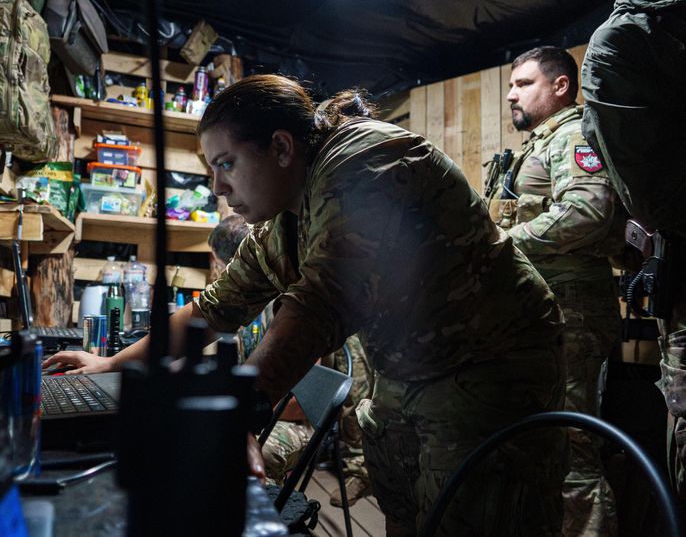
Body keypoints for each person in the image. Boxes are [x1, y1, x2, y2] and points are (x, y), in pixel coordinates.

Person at [46, 74, 567, 535]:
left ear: (280, 147)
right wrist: (110, 364)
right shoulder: (284, 219)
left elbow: (321, 301)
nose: (219, 187)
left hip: (492, 370)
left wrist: (237, 415)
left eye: (226, 163)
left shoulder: (364, 161)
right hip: (412, 375)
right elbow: (216, 307)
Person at [484, 47, 620, 536]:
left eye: (523, 84)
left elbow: (588, 210)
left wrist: (500, 244)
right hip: (544, 311)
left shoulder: (572, 135)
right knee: (545, 443)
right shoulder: (538, 144)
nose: (510, 94)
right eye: (511, 85)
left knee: (573, 447)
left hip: (572, 312)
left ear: (560, 86)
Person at [581, 0, 686, 497]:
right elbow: (652, 199)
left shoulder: (629, 40)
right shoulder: (631, 38)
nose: (510, 93)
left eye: (522, 82)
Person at [208, 215, 373, 507]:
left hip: (295, 420)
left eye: (225, 263)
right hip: (261, 412)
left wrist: (239, 411)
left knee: (231, 453)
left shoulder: (290, 309)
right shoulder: (244, 308)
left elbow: (303, 405)